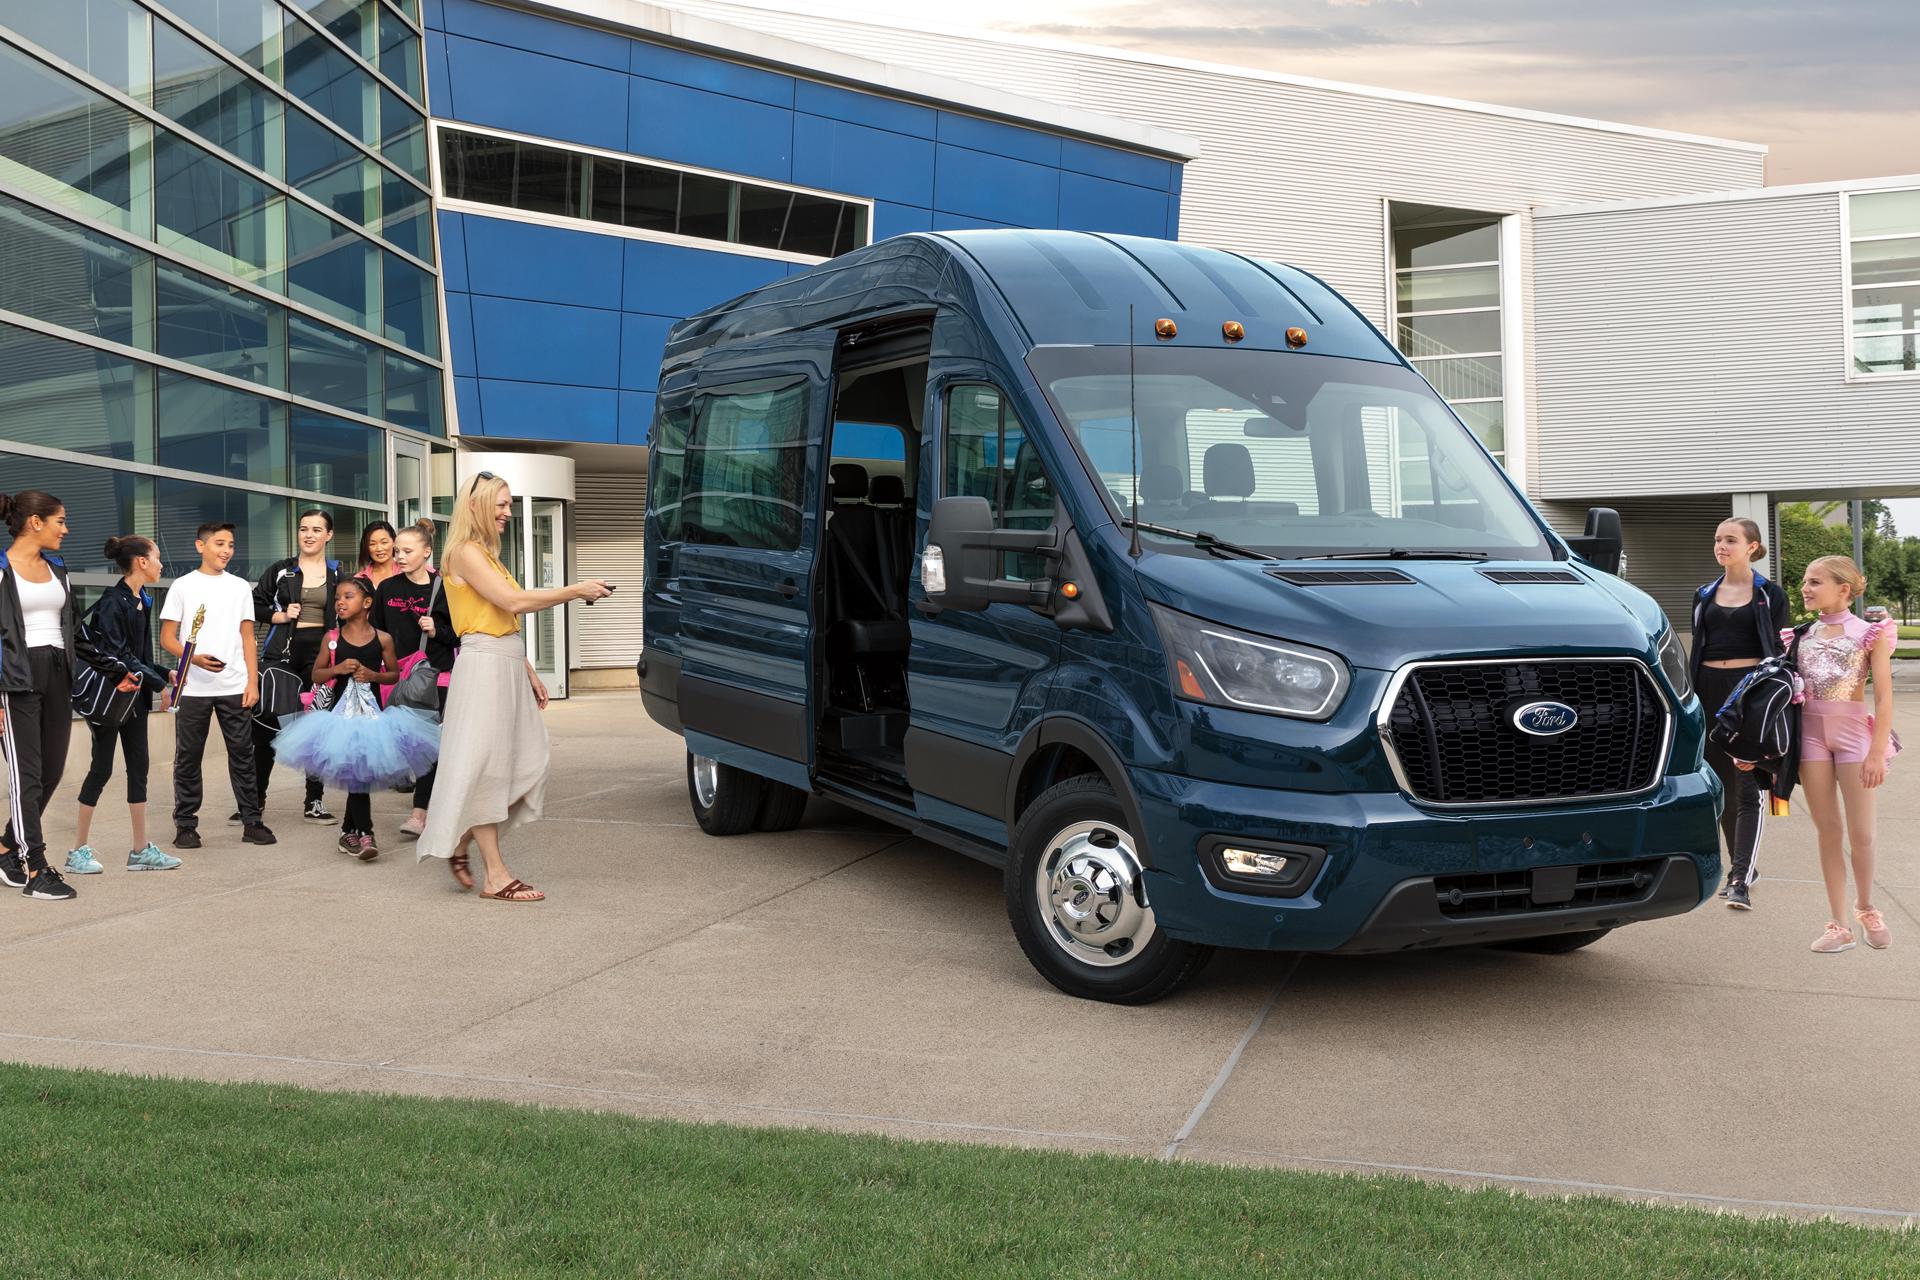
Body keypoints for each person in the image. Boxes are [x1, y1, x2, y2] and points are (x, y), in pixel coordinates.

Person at [417, 474, 610, 901]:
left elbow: (501, 619)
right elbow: (514, 603)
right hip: (483, 668)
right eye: (500, 505)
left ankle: (465, 838)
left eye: (508, 505)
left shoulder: (486, 554)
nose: (508, 512)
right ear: (476, 506)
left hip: (502, 662)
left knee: (526, 761)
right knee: (487, 767)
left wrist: (528, 669)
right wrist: (576, 589)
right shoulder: (466, 553)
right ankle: (495, 875)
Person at [1, 490, 115, 902]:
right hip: (15, 679)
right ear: (36, 522)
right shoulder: (1, 569)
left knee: (52, 771)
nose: (66, 530)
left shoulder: (57, 567)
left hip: (57, 673)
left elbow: (75, 631)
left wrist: (120, 670)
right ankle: (35, 868)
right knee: (26, 777)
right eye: (60, 521)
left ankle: (5, 847)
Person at [274, 576, 437, 860]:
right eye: (337, 597)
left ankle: (349, 831)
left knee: (358, 775)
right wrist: (337, 670)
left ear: (367, 603)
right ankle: (366, 834)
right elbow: (316, 674)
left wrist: (374, 675)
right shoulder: (332, 639)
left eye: (348, 597)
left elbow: (394, 674)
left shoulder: (382, 639)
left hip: (373, 720)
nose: (340, 602)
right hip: (340, 721)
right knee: (357, 778)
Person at [1794, 556, 1899, 954]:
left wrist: (1876, 752)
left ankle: (1867, 906)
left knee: (1863, 834)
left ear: (1843, 588)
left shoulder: (1871, 633)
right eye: (1805, 580)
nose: (1805, 587)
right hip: (1812, 736)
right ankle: (1838, 925)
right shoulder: (1800, 635)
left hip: (1855, 736)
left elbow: (1885, 696)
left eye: (1814, 581)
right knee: (1828, 832)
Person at [1689, 517, 1790, 911]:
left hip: (1748, 695)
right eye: (1717, 540)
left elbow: (1778, 653)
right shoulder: (1703, 594)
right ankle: (1733, 866)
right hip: (1708, 692)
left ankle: (1740, 876)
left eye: (1730, 540)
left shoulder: (1769, 594)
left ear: (1752, 546)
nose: (1721, 546)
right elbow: (1699, 646)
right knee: (1715, 784)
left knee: (1745, 783)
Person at [67, 536, 181, 875]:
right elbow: (119, 657)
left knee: (139, 768)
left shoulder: (140, 599)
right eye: (157, 557)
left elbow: (140, 658)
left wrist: (166, 672)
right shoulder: (111, 603)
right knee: (100, 769)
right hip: (111, 698)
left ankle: (140, 850)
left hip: (134, 698)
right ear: (141, 562)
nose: (161, 564)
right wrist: (160, 683)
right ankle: (77, 852)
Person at [163, 522, 275, 850]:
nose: (226, 550)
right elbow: (167, 638)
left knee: (243, 753)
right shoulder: (182, 586)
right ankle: (185, 825)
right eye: (220, 544)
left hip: (234, 684)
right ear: (201, 546)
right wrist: (193, 659)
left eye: (231, 545)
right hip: (193, 687)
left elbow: (247, 637)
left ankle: (252, 821)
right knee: (188, 756)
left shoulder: (240, 587)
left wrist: (252, 681)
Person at [252, 509, 343, 824]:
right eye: (304, 528)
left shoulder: (337, 574)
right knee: (266, 727)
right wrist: (280, 615)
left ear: (328, 535)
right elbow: (254, 604)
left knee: (316, 728)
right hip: (282, 655)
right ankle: (255, 801)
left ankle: (314, 801)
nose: (309, 534)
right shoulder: (281, 570)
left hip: (321, 659)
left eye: (317, 529)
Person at [377, 519, 455, 838]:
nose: (399, 557)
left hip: (435, 676)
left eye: (407, 551)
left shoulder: (445, 588)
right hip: (397, 676)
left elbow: (461, 634)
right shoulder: (387, 588)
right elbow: (375, 633)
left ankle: (419, 814)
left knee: (429, 744)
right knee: (404, 742)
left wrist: (437, 631)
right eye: (397, 551)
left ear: (427, 552)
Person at [357, 520, 399, 591]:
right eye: (372, 544)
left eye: (384, 542)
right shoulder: (359, 579)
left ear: (394, 542)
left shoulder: (408, 571)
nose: (379, 549)